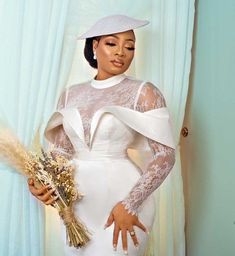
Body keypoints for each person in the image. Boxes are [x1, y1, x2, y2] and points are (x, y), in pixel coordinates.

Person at [28, 15, 176, 256]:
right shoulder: (70, 94)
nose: (121, 52)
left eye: (129, 46)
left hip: (123, 198)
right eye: (111, 43)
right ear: (94, 46)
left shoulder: (144, 91)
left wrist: (130, 205)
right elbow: (63, 151)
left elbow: (165, 156)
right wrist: (42, 181)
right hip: (77, 205)